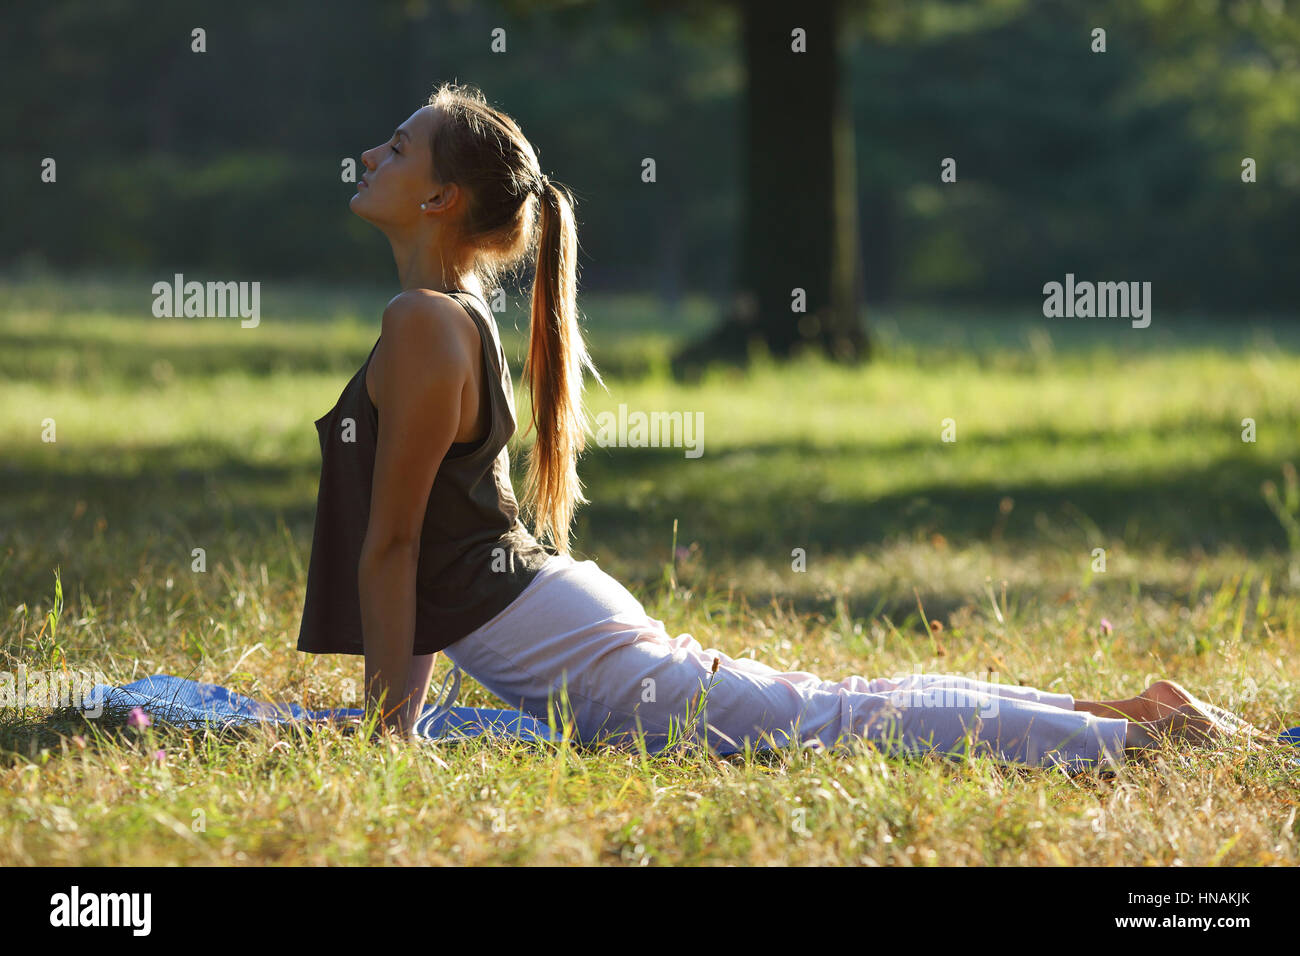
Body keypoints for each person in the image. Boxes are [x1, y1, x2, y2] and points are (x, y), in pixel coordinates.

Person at [296, 82, 1274, 773]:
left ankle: (1136, 739)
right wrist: (395, 723)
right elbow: (407, 557)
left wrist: (389, 735)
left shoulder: (422, 321)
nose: (372, 154)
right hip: (563, 619)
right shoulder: (443, 314)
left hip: (586, 659)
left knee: (839, 720)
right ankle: (1131, 715)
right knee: (839, 703)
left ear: (437, 197)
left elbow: (394, 546)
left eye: (395, 145)